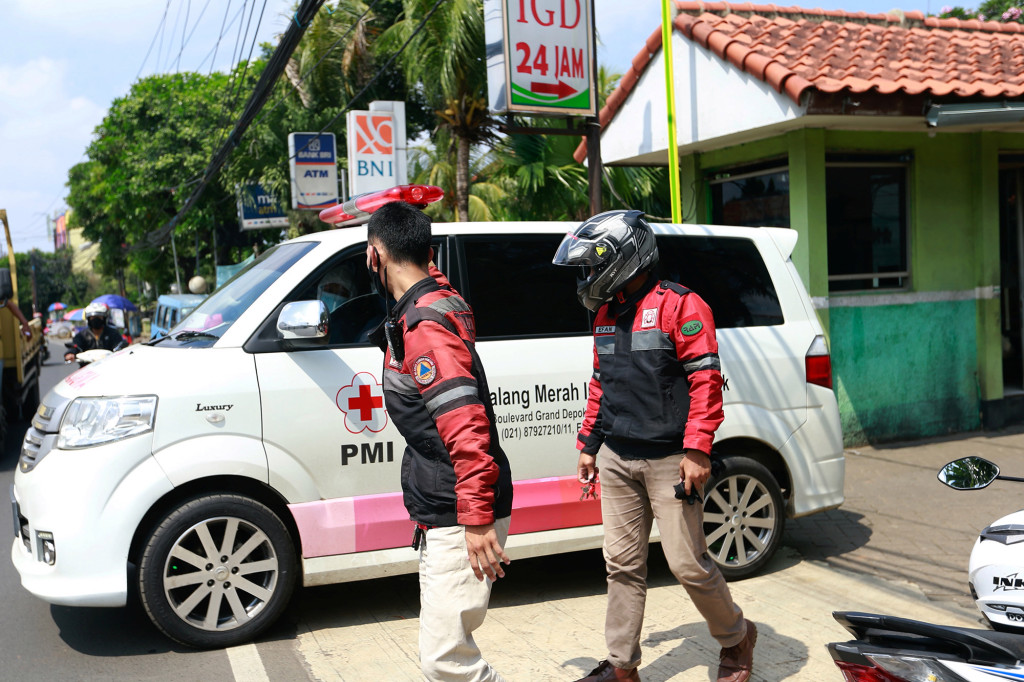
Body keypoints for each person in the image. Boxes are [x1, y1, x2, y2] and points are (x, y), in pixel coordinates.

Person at [552, 210, 757, 682]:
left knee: (687, 563)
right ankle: (623, 667)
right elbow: (602, 382)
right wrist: (589, 443)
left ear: (625, 258)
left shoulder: (681, 306)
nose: (587, 278)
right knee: (621, 565)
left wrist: (698, 450)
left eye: (592, 265)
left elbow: (705, 381)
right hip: (617, 457)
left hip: (671, 460)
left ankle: (736, 636)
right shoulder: (604, 313)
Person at [366, 201, 514, 682]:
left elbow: (466, 426)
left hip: (459, 505)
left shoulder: (425, 328)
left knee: (445, 661)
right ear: (430, 255)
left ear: (375, 257)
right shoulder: (435, 302)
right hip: (447, 498)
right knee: (448, 651)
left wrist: (475, 518)